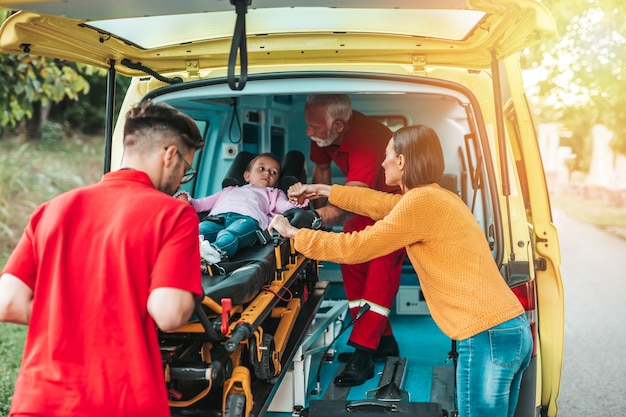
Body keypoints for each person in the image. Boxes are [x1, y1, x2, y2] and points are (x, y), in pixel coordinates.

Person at [271, 124, 532, 417]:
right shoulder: (435, 197)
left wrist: (295, 234)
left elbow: (357, 247)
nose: (382, 162)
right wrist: (324, 190)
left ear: (402, 161)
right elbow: (382, 203)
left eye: (387, 154)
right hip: (509, 330)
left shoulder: (422, 203)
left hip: (487, 337)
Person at [0, 100, 205, 417]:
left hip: (40, 400)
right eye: (185, 168)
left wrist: (71, 315)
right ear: (169, 155)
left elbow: (8, 302)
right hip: (121, 400)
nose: (181, 180)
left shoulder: (52, 209)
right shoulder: (174, 214)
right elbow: (168, 312)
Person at [284, 94, 405, 387]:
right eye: (308, 126)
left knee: (379, 276)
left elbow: (352, 201)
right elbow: (322, 173)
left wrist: (310, 224)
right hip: (359, 205)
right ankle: (385, 342)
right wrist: (309, 207)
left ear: (337, 126)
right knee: (352, 269)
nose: (308, 133)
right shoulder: (322, 134)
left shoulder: (368, 139)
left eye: (313, 127)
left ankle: (363, 354)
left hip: (390, 208)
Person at [176, 153, 306, 264]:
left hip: (248, 220)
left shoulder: (274, 193)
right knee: (200, 230)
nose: (267, 173)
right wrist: (184, 198)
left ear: (276, 182)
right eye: (261, 168)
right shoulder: (228, 190)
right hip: (216, 219)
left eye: (273, 172)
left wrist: (297, 199)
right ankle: (180, 252)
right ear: (247, 176)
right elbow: (200, 205)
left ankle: (214, 253)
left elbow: (285, 208)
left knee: (230, 234)